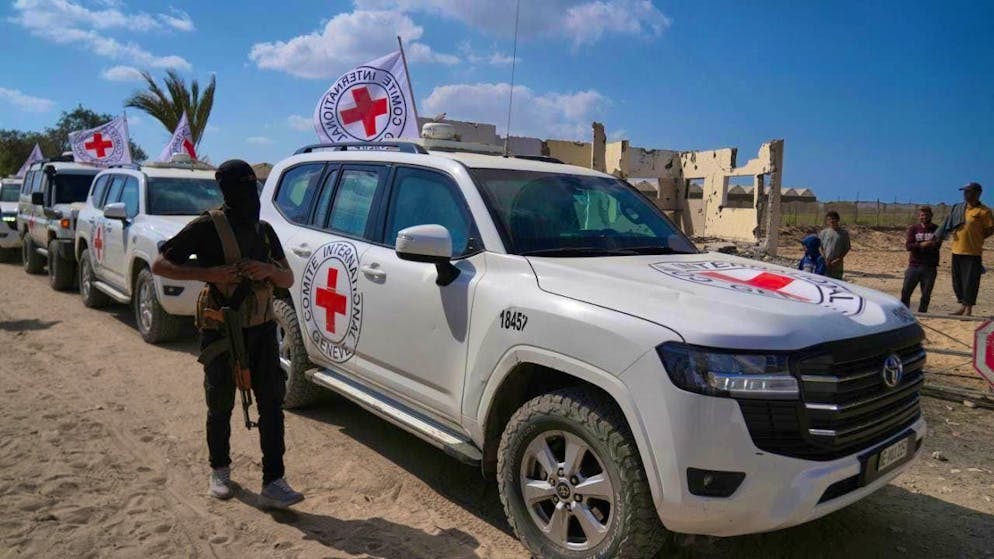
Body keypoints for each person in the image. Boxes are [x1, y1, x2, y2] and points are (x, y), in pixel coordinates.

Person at [151, 159, 304, 508]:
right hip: (221, 327)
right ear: (227, 190)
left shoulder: (264, 230)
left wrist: (267, 269)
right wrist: (212, 273)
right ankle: (219, 470)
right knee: (219, 403)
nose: (250, 195)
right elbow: (161, 264)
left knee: (271, 405)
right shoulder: (208, 226)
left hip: (262, 328)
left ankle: (274, 481)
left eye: (253, 187)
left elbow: (287, 279)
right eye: (243, 187)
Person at [936, 182, 994, 316]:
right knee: (958, 281)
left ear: (977, 193)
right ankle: (962, 306)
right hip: (957, 249)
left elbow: (990, 230)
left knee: (971, 281)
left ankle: (968, 309)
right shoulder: (959, 208)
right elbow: (948, 224)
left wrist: (978, 237)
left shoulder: (984, 211)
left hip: (973, 251)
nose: (965, 194)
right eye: (964, 192)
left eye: (968, 191)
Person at [900, 206, 940, 313]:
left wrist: (928, 245)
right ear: (919, 216)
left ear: (931, 216)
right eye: (922, 215)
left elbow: (937, 245)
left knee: (926, 294)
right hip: (914, 265)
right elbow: (908, 246)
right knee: (905, 292)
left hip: (930, 267)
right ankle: (904, 313)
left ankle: (923, 314)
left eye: (926, 215)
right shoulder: (914, 229)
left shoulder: (936, 229)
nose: (924, 217)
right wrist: (922, 245)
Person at [818, 211, 851, 280]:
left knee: (836, 283)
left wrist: (838, 259)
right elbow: (821, 247)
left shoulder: (844, 233)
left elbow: (846, 248)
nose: (831, 221)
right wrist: (825, 259)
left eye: (833, 219)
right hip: (825, 263)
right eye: (829, 219)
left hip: (837, 265)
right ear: (826, 221)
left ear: (838, 220)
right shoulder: (823, 233)